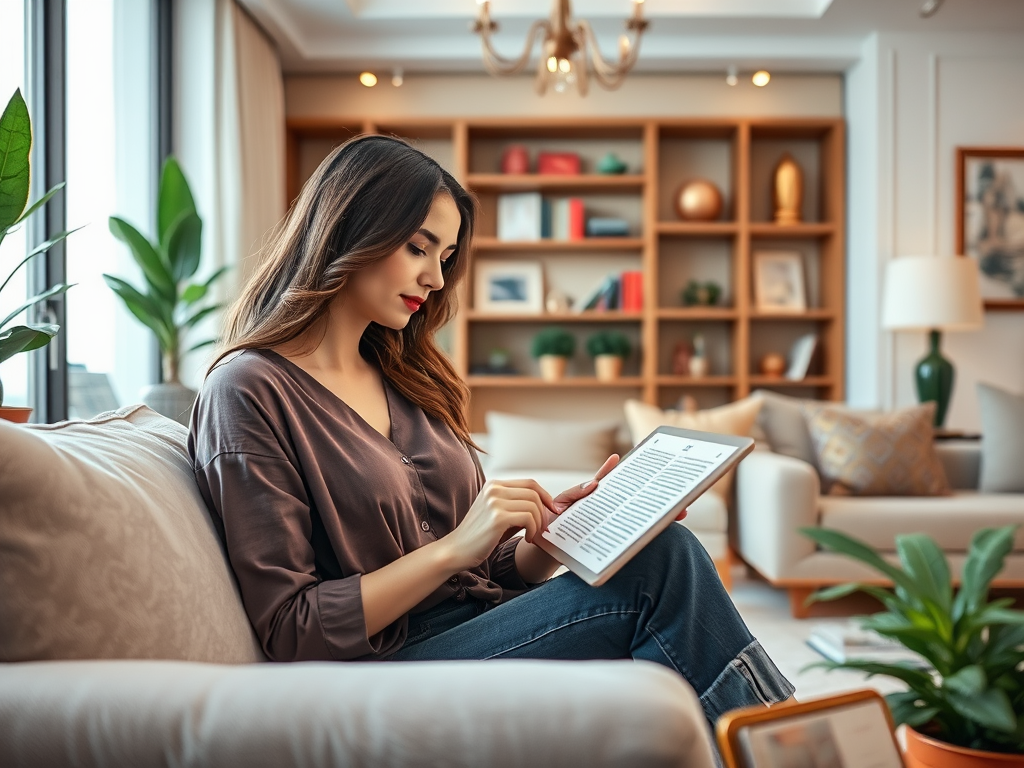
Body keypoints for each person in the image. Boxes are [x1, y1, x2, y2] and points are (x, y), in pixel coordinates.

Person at [187, 135, 794, 737]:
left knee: (663, 549)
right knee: (666, 568)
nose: (433, 277)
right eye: (417, 247)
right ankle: (784, 746)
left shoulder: (407, 376)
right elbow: (291, 628)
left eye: (446, 257)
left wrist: (556, 535)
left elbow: (489, 573)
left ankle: (771, 742)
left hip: (476, 627)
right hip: (381, 669)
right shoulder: (249, 391)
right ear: (351, 229)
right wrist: (454, 548)